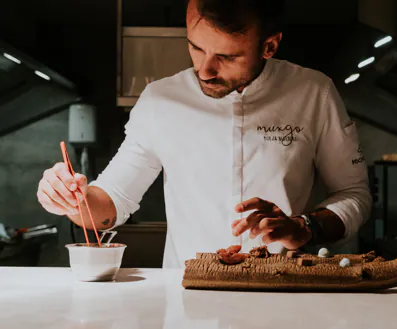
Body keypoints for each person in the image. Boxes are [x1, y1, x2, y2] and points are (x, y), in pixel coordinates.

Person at [37, 0, 372, 268]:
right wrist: (71, 200)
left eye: (226, 56)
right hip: (188, 301)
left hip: (286, 295)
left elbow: (354, 193)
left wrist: (305, 226)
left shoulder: (314, 93)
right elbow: (112, 202)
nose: (205, 70)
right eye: (195, 48)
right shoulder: (161, 101)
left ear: (269, 46)